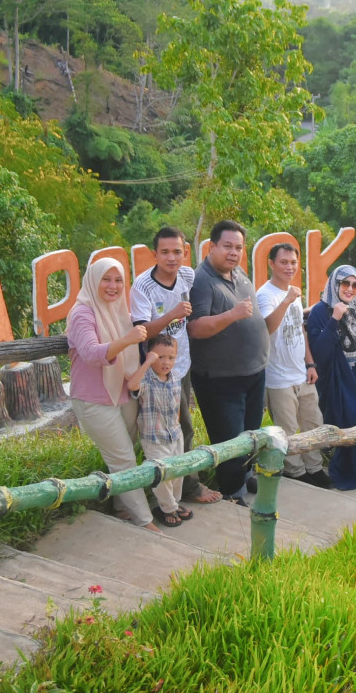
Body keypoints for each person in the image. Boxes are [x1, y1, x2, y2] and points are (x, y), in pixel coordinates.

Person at [130, 226, 222, 505]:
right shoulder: (142, 286)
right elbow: (143, 332)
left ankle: (181, 488)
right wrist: (171, 315)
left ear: (185, 253)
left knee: (183, 427)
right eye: (165, 252)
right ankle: (170, 491)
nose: (172, 258)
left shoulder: (188, 275)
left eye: (178, 252)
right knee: (160, 431)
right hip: (154, 372)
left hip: (180, 368)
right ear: (154, 254)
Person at [66, 258, 159, 532]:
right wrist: (127, 339)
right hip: (94, 399)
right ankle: (146, 521)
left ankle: (121, 507)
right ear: (93, 280)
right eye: (106, 279)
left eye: (118, 280)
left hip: (122, 392)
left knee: (129, 451)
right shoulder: (82, 313)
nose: (113, 286)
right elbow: (92, 353)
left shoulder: (119, 310)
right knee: (124, 460)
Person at [187, 220, 270, 505]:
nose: (233, 252)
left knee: (250, 432)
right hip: (221, 378)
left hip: (253, 371)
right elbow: (195, 327)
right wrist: (232, 315)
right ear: (212, 247)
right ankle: (232, 492)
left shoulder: (238, 273)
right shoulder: (202, 280)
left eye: (238, 247)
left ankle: (245, 475)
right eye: (227, 247)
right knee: (230, 437)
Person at [256, 243, 333, 489]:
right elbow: (267, 327)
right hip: (278, 378)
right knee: (288, 430)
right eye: (284, 262)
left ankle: (314, 467)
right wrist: (287, 300)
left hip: (301, 373)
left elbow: (301, 330)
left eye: (293, 262)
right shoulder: (265, 295)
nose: (290, 267)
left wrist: (309, 362)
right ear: (271, 264)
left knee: (313, 422)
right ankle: (296, 472)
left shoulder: (293, 292)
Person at [306, 266, 356, 489]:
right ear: (335, 284)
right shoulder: (321, 312)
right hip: (336, 380)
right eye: (345, 284)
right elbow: (320, 353)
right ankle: (349, 473)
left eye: (355, 285)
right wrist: (335, 319)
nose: (350, 289)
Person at [125, 334, 192, 527]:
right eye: (160, 357)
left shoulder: (175, 378)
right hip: (154, 438)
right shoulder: (146, 379)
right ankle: (167, 508)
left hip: (174, 434)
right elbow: (131, 385)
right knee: (161, 475)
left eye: (171, 357)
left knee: (178, 472)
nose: (166, 362)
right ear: (150, 355)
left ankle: (173, 504)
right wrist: (147, 363)